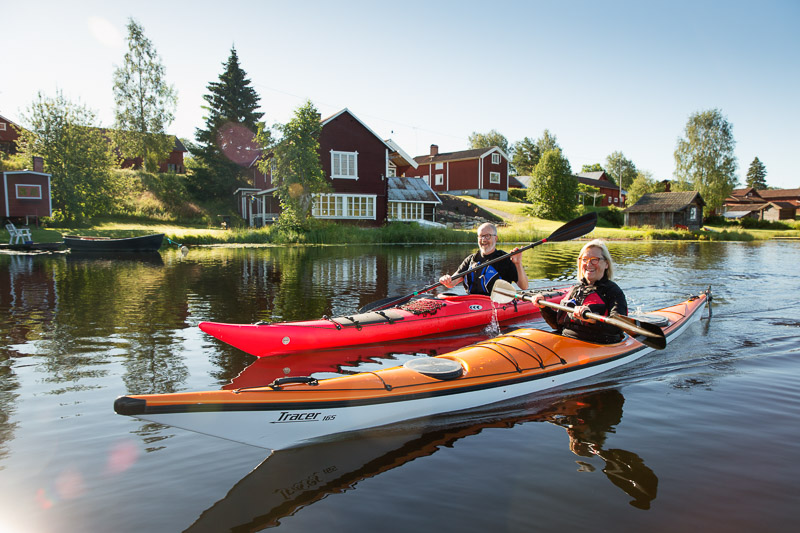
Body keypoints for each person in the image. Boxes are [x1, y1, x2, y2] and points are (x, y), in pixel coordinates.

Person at [533, 239, 627, 344]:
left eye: (594, 259)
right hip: (568, 342)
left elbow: (619, 326)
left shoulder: (613, 292)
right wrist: (543, 307)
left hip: (597, 345)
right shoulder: (575, 290)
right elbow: (557, 324)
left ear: (606, 264)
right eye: (585, 259)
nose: (589, 264)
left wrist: (592, 320)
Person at [439, 222, 529, 296]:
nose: (483, 240)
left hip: (497, 303)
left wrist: (518, 263)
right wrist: (446, 280)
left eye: (487, 236)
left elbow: (524, 286)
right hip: (472, 303)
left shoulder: (504, 259)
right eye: (481, 236)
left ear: (496, 238)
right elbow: (452, 283)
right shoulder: (470, 260)